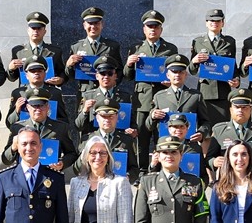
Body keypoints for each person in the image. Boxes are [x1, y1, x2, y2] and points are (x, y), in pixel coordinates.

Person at [123, 10, 179, 170]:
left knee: (163, 137)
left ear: (161, 29)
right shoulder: (136, 47)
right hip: (143, 101)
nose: (152, 29)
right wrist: (128, 64)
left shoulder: (170, 49)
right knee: (142, 138)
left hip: (164, 99)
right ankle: (141, 171)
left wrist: (170, 83)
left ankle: (161, 170)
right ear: (144, 29)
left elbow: (176, 72)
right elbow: (127, 76)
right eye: (149, 26)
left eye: (156, 26)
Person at [206, 93, 252, 180]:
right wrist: (214, 162)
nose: (240, 110)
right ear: (230, 110)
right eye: (237, 107)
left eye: (244, 107)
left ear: (250, 110)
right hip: (227, 182)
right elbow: (208, 159)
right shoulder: (219, 130)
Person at [1, 94, 79, 172]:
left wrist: (62, 163)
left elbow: (71, 154)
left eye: (41, 106)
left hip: (50, 174)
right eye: (34, 106)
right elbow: (6, 160)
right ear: (28, 107)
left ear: (48, 107)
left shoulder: (60, 127)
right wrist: (13, 147)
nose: (38, 109)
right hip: (24, 175)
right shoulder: (17, 127)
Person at [188, 8, 239, 127]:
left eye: (217, 20)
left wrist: (236, 80)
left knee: (222, 128)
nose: (214, 23)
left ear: (223, 23)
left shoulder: (229, 42)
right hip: (205, 90)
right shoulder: (198, 41)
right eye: (211, 20)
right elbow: (192, 70)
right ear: (206, 23)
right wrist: (194, 61)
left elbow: (233, 66)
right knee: (205, 129)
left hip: (223, 91)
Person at [147, 55, 209, 144]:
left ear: (186, 74)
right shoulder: (159, 96)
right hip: (166, 144)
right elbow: (149, 126)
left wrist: (201, 133)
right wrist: (153, 116)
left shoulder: (195, 96)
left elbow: (205, 122)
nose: (177, 75)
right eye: (174, 72)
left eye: (181, 72)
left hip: (189, 145)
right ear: (168, 75)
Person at [69, 7, 122, 97]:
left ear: (102, 25)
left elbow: (119, 70)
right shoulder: (76, 47)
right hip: (85, 93)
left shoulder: (112, 46)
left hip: (106, 93)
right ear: (84, 25)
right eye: (90, 23)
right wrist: (69, 65)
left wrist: (112, 84)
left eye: (96, 23)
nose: (93, 27)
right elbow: (70, 75)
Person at [79, 104, 140, 183]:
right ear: (97, 118)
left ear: (117, 117)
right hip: (93, 183)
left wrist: (127, 177)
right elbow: (77, 168)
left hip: (117, 185)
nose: (107, 120)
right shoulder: (88, 140)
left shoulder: (126, 140)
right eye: (103, 116)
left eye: (111, 116)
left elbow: (134, 168)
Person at [8, 11, 69, 87]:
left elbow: (62, 72)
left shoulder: (55, 51)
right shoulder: (18, 51)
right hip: (25, 92)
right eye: (33, 28)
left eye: (39, 28)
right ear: (28, 30)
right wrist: (11, 69)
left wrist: (61, 79)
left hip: (47, 92)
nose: (36, 31)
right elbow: (12, 78)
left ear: (44, 31)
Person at [73, 59, 132, 137]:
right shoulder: (87, 96)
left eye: (110, 73)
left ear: (115, 76)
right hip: (94, 139)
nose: (106, 77)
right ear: (97, 76)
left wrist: (133, 130)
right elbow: (78, 126)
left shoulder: (125, 97)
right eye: (102, 73)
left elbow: (132, 122)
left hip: (117, 140)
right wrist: (85, 111)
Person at [4, 58, 68, 128]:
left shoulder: (55, 93)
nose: (36, 73)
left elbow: (64, 120)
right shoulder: (18, 93)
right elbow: (9, 123)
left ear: (45, 74)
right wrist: (16, 110)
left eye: (40, 71)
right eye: (32, 71)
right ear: (26, 76)